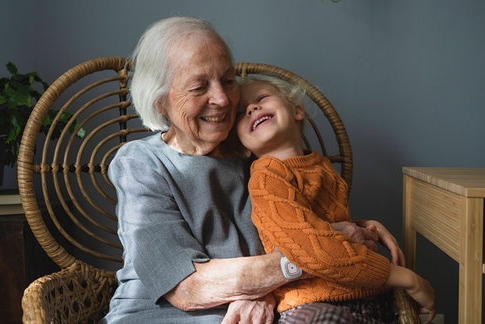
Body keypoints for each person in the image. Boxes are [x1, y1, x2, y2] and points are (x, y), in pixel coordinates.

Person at [102, 16, 399, 323]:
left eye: (228, 81)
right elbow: (187, 287)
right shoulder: (140, 163)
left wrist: (361, 228)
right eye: (199, 86)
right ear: (160, 101)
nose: (221, 99)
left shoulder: (260, 156)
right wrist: (313, 255)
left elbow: (298, 222)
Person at [235, 75, 436, 323]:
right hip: (310, 304)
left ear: (297, 110)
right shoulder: (267, 178)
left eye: (261, 98)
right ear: (243, 146)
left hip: (365, 295)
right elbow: (312, 247)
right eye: (241, 112)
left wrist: (365, 226)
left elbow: (328, 223)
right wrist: (406, 278)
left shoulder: (320, 165)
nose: (252, 109)